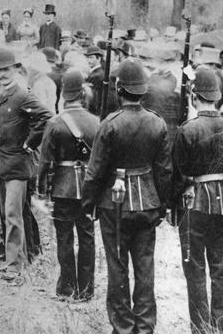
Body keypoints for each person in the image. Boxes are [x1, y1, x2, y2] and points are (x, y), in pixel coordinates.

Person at [81, 59, 172, 334]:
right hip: (147, 202)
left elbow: (95, 171)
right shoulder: (157, 123)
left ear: (119, 90)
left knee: (117, 267)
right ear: (143, 91)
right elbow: (164, 171)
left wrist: (88, 204)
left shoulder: (109, 125)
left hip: (114, 205)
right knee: (145, 268)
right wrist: (162, 206)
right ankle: (144, 327)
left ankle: (122, 327)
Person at [0, 49, 53, 283]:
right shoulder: (2, 94)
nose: (2, 74)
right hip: (2, 164)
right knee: (9, 214)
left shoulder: (22, 94)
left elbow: (46, 117)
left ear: (16, 69)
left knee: (13, 215)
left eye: (6, 70)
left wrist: (29, 144)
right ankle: (16, 258)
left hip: (17, 166)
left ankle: (15, 267)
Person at [38, 69, 99, 301]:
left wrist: (42, 191)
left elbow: (45, 161)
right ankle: (86, 290)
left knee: (64, 238)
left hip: (63, 188)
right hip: (88, 188)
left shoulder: (55, 122)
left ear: (64, 94)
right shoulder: (96, 122)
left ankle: (67, 288)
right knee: (87, 237)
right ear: (82, 93)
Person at [173, 66, 223, 333]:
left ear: (194, 96)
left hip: (194, 205)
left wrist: (171, 207)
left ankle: (201, 328)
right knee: (221, 267)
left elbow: (178, 175)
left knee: (194, 269)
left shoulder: (188, 130)